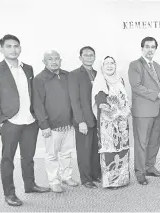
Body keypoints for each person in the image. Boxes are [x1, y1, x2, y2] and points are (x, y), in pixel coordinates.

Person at [0, 34, 50, 206]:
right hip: (10, 122)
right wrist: (0, 121)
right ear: (1, 49)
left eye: (16, 46)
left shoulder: (28, 68)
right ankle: (9, 194)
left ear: (20, 48)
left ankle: (30, 185)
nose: (13, 49)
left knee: (28, 157)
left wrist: (39, 119)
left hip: (30, 121)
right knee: (8, 159)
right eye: (9, 46)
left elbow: (33, 95)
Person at [33, 50, 79, 193]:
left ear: (61, 60)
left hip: (68, 123)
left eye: (56, 58)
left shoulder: (67, 75)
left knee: (66, 153)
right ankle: (54, 181)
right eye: (50, 59)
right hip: (51, 126)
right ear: (44, 62)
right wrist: (44, 125)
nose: (54, 61)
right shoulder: (39, 79)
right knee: (52, 155)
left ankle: (67, 176)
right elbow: (37, 104)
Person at [128, 36, 160, 185]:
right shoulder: (135, 65)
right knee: (141, 143)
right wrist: (157, 95)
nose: (150, 49)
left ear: (155, 49)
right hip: (143, 111)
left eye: (153, 47)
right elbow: (136, 86)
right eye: (147, 46)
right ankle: (140, 172)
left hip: (157, 109)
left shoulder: (157, 66)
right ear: (142, 48)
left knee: (154, 141)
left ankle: (150, 167)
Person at [92, 56, 131, 189]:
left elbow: (124, 98)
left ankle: (123, 178)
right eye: (106, 63)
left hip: (122, 123)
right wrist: (112, 110)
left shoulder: (120, 80)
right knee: (110, 150)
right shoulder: (100, 81)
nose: (110, 66)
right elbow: (100, 100)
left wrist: (125, 111)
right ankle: (112, 181)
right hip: (108, 124)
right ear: (102, 66)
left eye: (112, 63)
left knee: (122, 149)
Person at [69, 46, 102, 189]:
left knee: (95, 149)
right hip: (83, 120)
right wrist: (80, 121)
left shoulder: (97, 74)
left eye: (91, 55)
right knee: (84, 151)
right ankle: (86, 179)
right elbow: (74, 100)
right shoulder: (74, 74)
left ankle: (95, 175)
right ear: (80, 58)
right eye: (86, 55)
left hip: (97, 119)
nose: (89, 57)